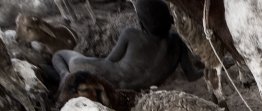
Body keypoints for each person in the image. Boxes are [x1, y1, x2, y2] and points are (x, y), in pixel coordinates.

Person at [52, 0, 199, 90]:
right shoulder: (178, 42)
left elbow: (110, 61)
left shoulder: (131, 34)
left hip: (105, 77)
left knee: (60, 54)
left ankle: (64, 76)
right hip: (141, 86)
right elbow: (192, 76)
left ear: (142, 22)